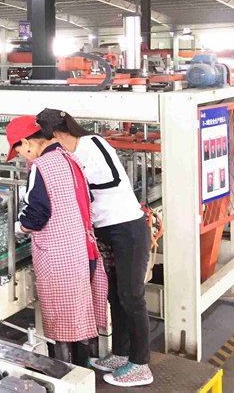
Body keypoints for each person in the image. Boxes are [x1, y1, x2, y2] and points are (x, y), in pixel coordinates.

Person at [37, 109, 153, 387]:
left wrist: (77, 182)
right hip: (104, 231)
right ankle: (121, 353)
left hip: (127, 227)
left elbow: (112, 179)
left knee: (131, 296)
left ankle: (141, 364)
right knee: (115, 294)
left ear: (55, 134)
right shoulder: (66, 156)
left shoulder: (92, 143)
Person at [5, 115, 108, 368]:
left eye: (18, 150)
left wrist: (18, 227)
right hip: (82, 249)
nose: (22, 156)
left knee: (62, 322)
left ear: (26, 142)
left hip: (58, 257)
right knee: (80, 316)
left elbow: (37, 214)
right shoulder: (69, 158)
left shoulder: (41, 166)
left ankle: (65, 374)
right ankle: (84, 370)